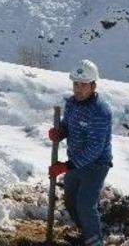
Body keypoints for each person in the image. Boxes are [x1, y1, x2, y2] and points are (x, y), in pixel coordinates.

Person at [48, 59, 113, 246]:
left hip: (96, 165)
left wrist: (65, 166)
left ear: (93, 85)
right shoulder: (72, 104)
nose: (78, 88)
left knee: (85, 204)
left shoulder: (100, 112)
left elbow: (95, 148)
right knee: (70, 201)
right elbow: (68, 125)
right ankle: (87, 233)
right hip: (75, 161)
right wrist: (60, 132)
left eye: (83, 84)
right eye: (75, 83)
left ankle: (95, 241)